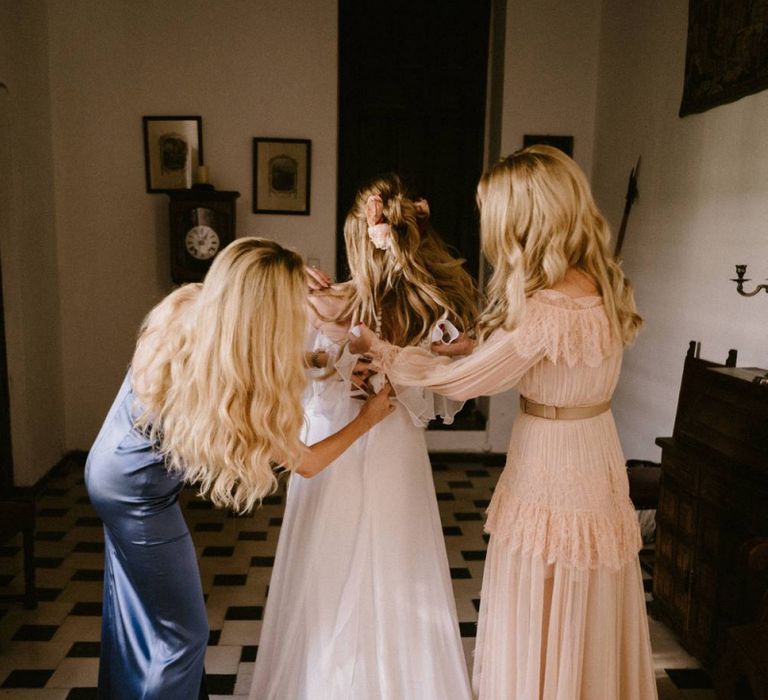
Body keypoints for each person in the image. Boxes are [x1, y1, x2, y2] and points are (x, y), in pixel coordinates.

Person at [351, 147, 658, 699]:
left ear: (525, 219)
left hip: (552, 462)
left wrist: (386, 352)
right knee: (585, 588)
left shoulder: (546, 307)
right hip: (595, 450)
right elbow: (526, 352)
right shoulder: (601, 283)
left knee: (540, 587)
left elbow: (469, 381)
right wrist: (474, 345)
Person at [85, 238, 394, 700]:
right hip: (139, 493)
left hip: (108, 465)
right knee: (181, 634)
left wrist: (319, 361)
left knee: (137, 613)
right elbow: (307, 463)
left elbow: (239, 343)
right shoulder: (238, 378)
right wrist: (368, 420)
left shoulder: (191, 305)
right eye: (291, 302)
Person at [249, 175, 477, 700]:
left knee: (326, 571)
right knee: (399, 568)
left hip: (332, 446)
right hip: (390, 446)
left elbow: (288, 379)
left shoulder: (317, 304)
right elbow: (442, 394)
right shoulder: (426, 312)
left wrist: (335, 369)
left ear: (357, 239)